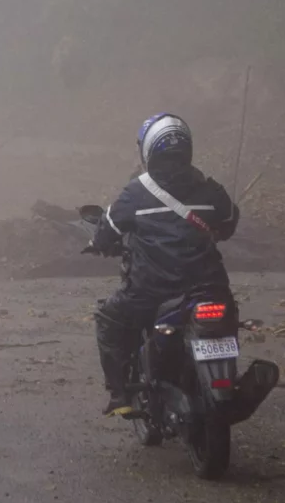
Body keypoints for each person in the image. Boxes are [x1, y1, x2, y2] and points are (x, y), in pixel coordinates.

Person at [84, 113, 238, 416]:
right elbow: (230, 222)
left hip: (152, 289)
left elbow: (107, 231)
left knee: (109, 320)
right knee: (227, 317)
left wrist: (98, 244)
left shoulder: (136, 192)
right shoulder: (211, 190)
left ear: (148, 150)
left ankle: (120, 396)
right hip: (209, 287)